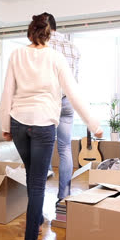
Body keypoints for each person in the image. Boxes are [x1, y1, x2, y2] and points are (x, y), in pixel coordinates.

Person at [0, 14, 103, 240]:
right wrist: (94, 125)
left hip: (18, 123)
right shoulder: (56, 57)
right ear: (50, 34)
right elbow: (73, 93)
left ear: (30, 32)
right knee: (37, 183)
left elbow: (7, 93)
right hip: (43, 123)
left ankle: (34, 222)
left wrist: (5, 126)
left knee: (32, 177)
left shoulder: (16, 54)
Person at [44, 12, 81, 202]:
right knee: (65, 148)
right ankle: (64, 196)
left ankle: (38, 196)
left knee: (44, 145)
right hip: (68, 101)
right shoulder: (73, 48)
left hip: (49, 101)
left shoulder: (43, 46)